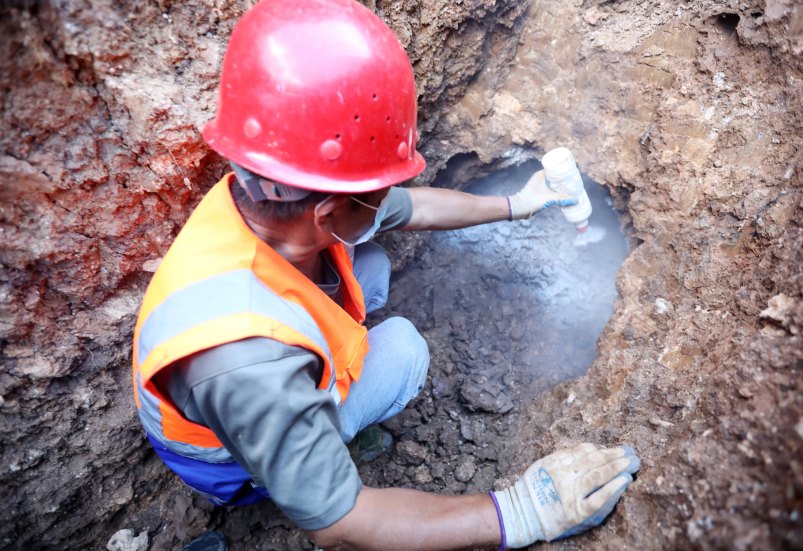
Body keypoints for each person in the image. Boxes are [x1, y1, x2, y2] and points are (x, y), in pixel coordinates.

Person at [131, 0, 641, 549]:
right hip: (229, 458)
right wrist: (521, 511)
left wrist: (517, 203)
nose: (387, 202)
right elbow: (340, 523)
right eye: (374, 195)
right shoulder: (247, 361)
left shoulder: (266, 190)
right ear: (326, 213)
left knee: (367, 260)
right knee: (401, 350)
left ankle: (328, 384)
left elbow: (413, 208)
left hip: (263, 366)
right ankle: (282, 469)